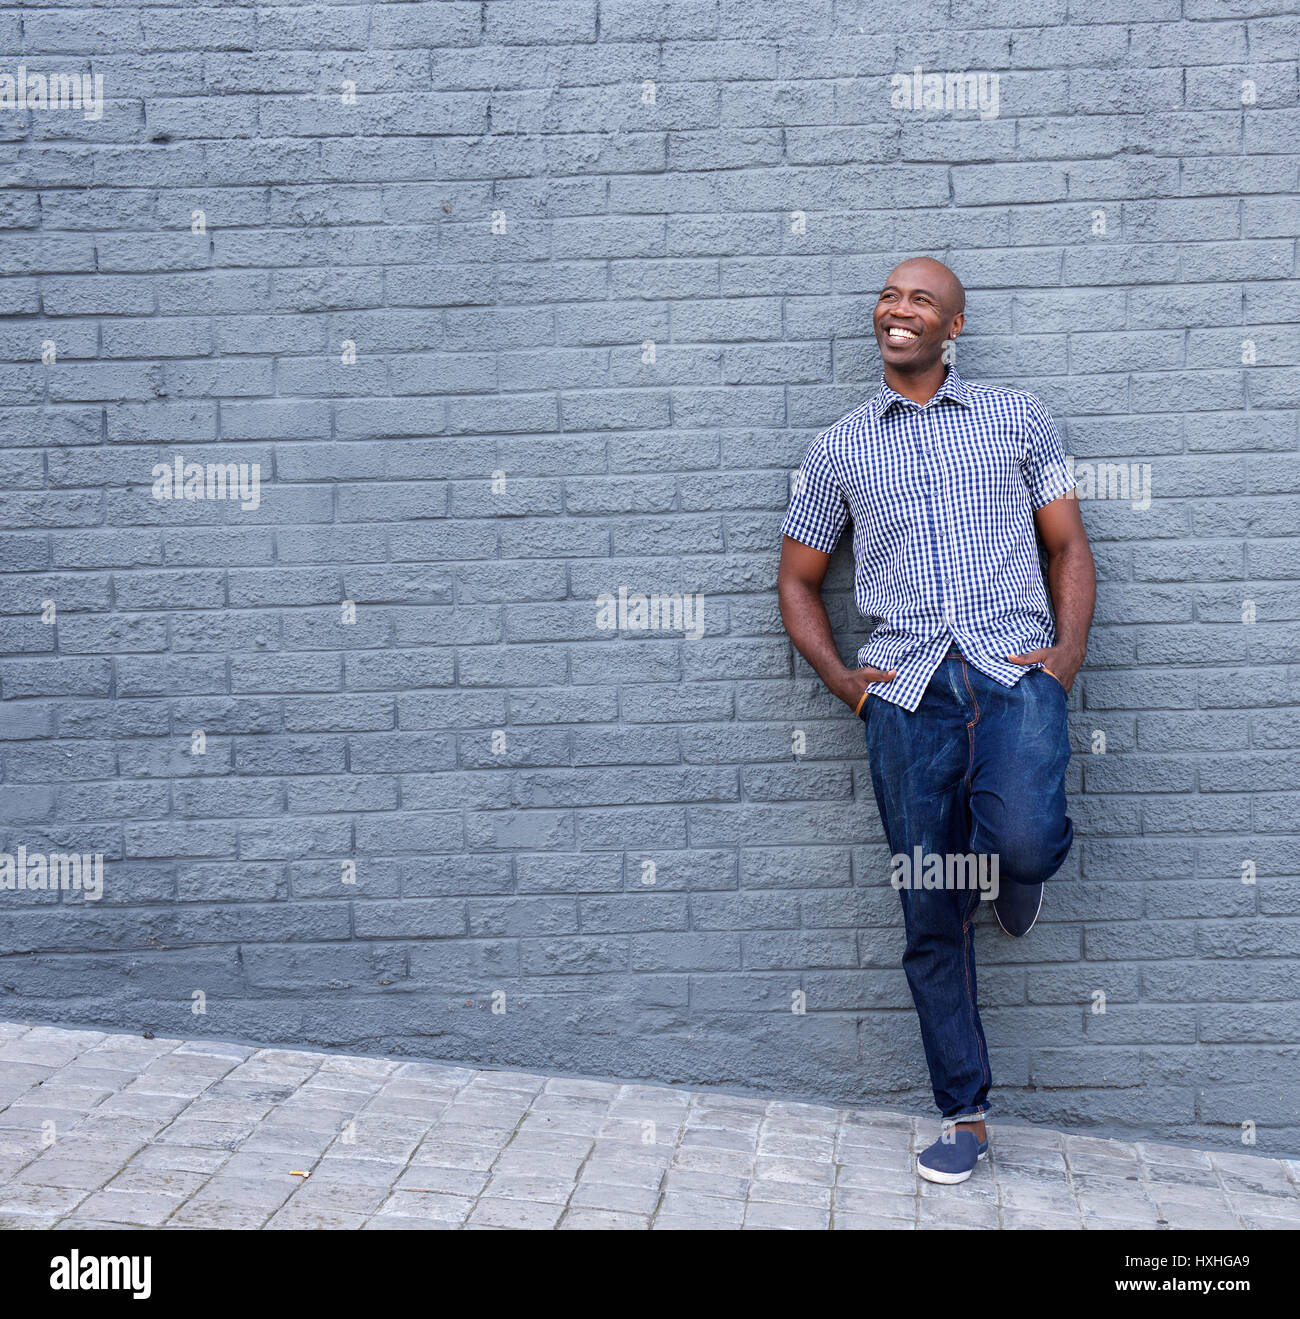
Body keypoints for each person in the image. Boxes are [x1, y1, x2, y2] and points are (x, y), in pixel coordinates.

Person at [777, 257, 1096, 1185]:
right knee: (930, 909)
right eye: (889, 296)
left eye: (920, 299)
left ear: (953, 327)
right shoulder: (839, 448)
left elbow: (1068, 543)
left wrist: (1064, 659)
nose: (898, 308)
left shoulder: (1018, 417)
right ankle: (965, 1112)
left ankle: (1017, 871)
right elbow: (798, 580)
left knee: (1026, 840)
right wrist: (848, 681)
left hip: (1012, 671)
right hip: (906, 695)